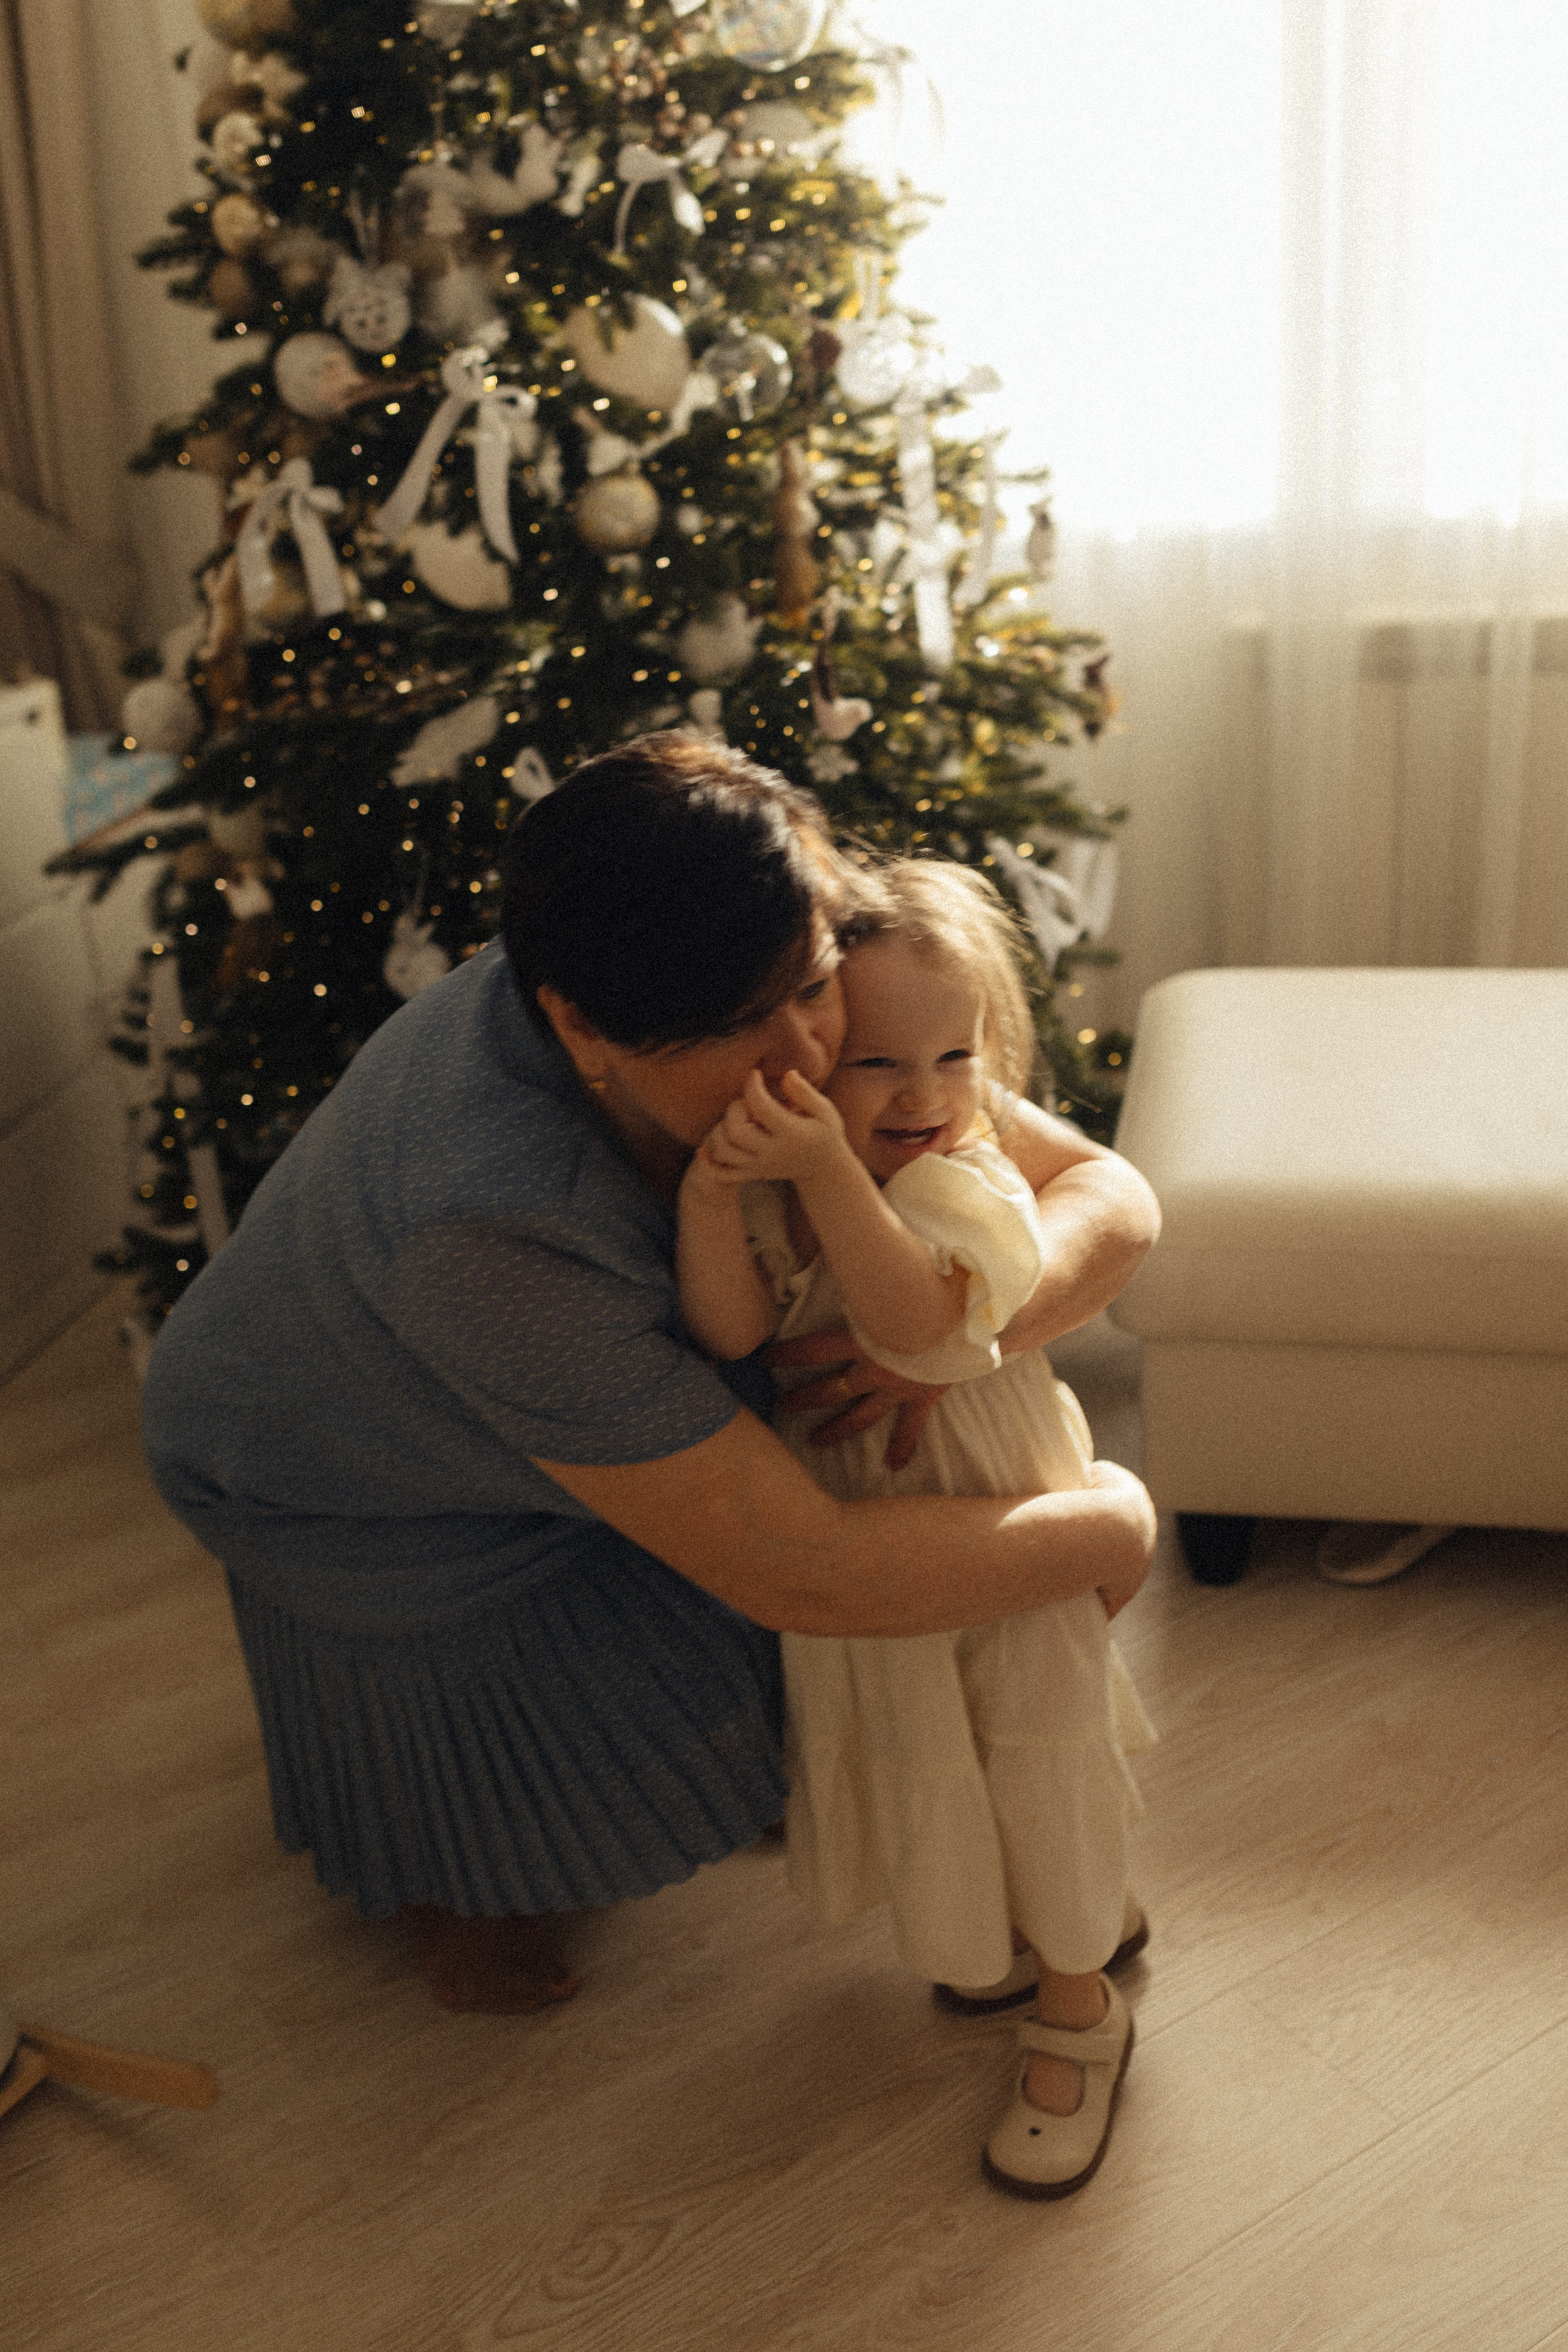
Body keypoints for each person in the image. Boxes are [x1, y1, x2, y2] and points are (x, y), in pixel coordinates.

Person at [141, 734, 1158, 2025]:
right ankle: (458, 1887)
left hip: (491, 1349)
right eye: (744, 1026)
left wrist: (950, 1342)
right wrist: (1108, 1526)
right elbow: (804, 1570)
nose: (807, 1054)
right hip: (317, 1464)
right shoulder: (490, 1230)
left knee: (735, 1682)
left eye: (813, 983)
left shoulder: (729, 966)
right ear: (574, 1023)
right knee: (518, 1777)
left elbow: (1107, 1193)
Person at [676, 858, 1155, 2199]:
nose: (924, 1092)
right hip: (864, 1523)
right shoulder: (794, 1173)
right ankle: (1028, 1927)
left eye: (955, 1055)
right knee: (925, 1735)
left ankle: (1080, 2004)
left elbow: (912, 1324)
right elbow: (730, 1330)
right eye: (877, 1061)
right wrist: (715, 1200)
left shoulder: (968, 1171)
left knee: (1032, 1730)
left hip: (1001, 1505)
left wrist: (826, 1163)